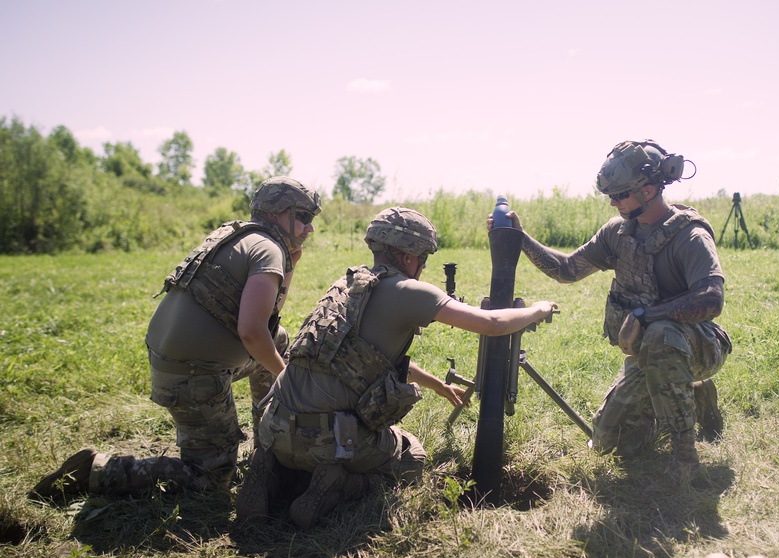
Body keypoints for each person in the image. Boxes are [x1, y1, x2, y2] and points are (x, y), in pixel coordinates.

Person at [235, 206, 557, 530]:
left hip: (273, 427)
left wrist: (439, 387)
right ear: (409, 257)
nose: (422, 267)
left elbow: (364, 361)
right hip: (326, 439)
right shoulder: (409, 292)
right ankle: (339, 486)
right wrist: (536, 310)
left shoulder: (346, 284)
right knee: (412, 457)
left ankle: (271, 470)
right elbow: (490, 322)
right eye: (423, 258)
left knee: (300, 446)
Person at [32, 176, 322, 499]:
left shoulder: (239, 235)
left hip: (179, 362)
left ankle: (266, 449)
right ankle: (98, 471)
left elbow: (267, 322)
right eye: (304, 218)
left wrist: (290, 266)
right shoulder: (267, 249)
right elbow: (252, 332)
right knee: (211, 479)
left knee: (278, 338)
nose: (310, 228)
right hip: (193, 375)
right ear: (279, 213)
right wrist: (286, 380)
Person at [488, 139, 731, 469]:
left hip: (698, 347)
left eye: (620, 194)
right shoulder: (617, 233)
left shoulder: (689, 236)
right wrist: (521, 238)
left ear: (647, 189)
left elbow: (711, 299)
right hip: (647, 355)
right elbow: (567, 270)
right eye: (610, 195)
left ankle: (683, 451)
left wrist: (646, 317)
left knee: (660, 334)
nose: (613, 202)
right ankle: (693, 393)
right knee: (609, 443)